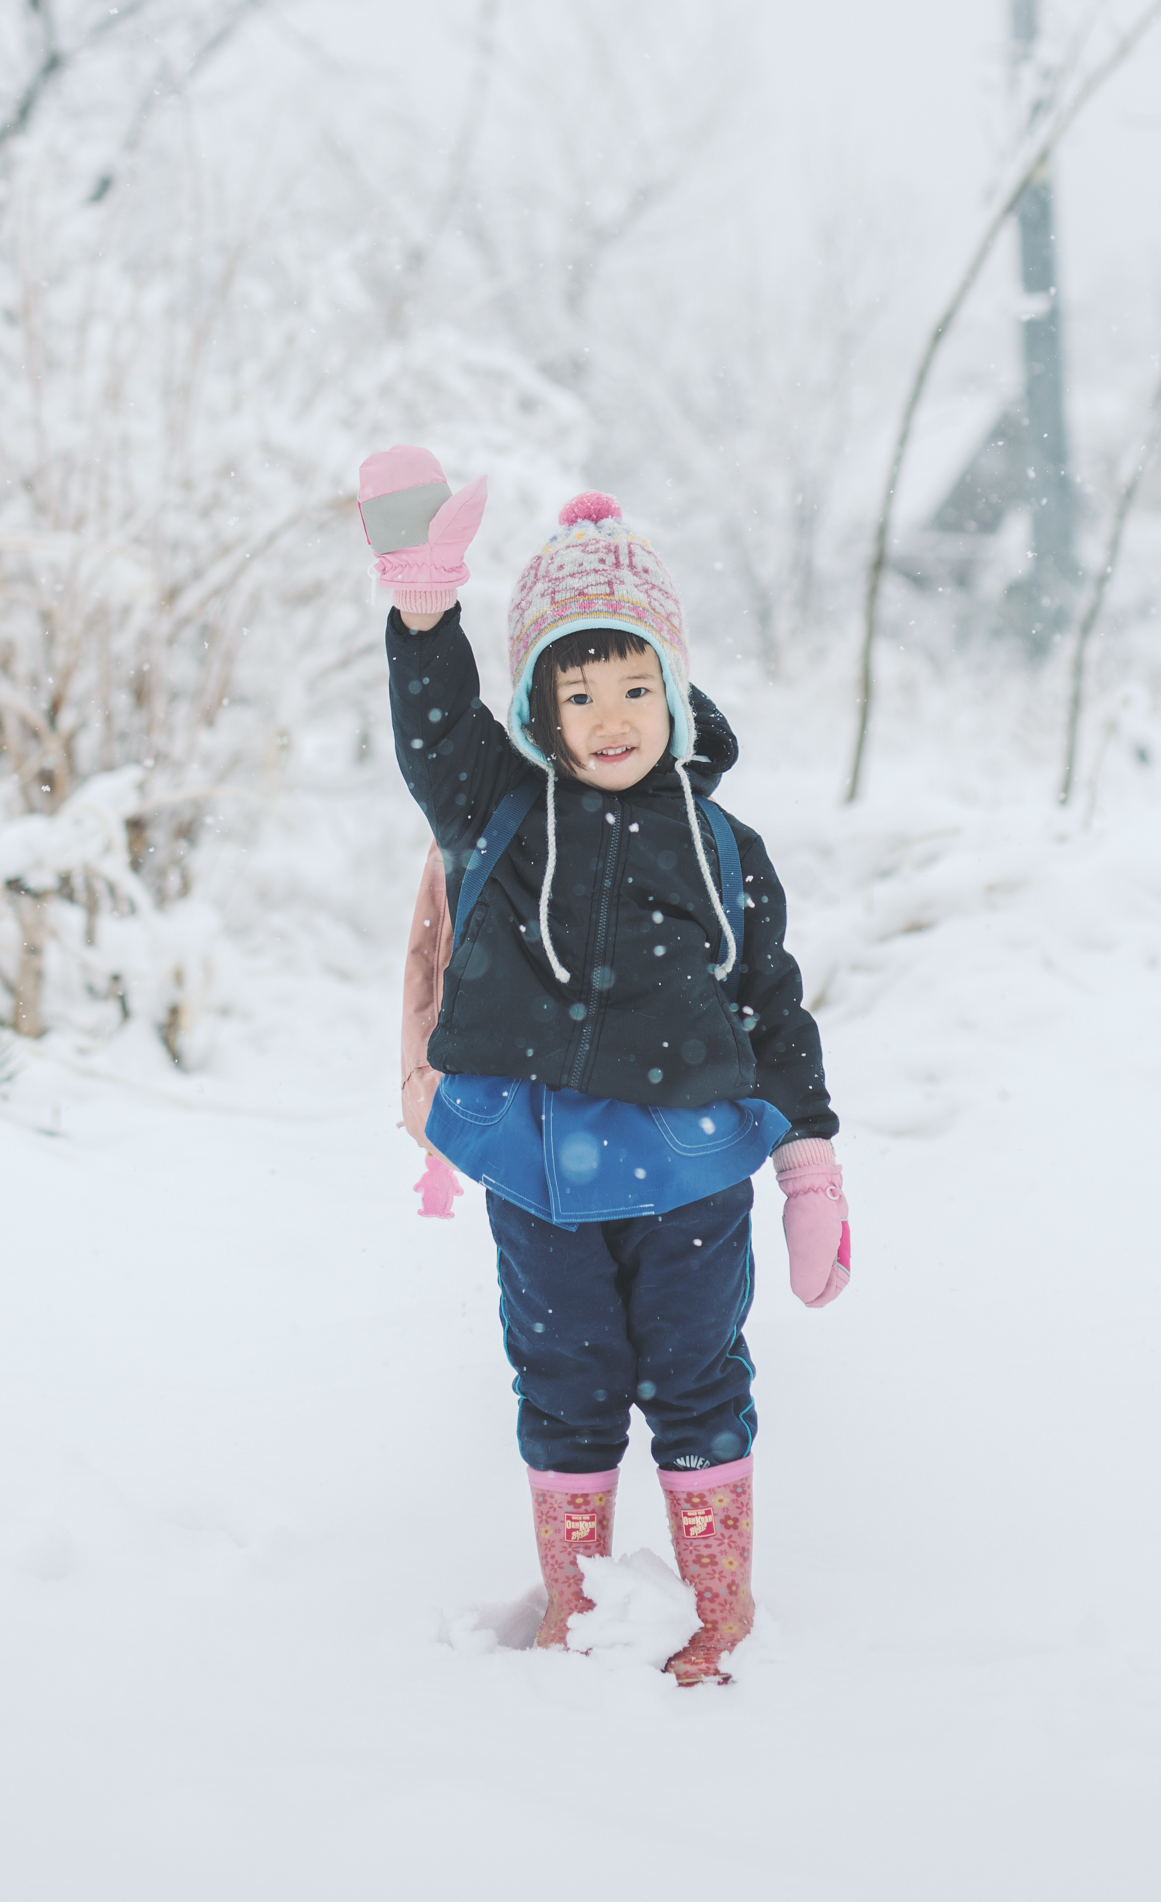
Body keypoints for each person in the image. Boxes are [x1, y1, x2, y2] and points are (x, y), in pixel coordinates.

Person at [359, 448, 850, 1687]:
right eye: (578, 695)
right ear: (540, 711)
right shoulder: (502, 811)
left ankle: (713, 1616)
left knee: (696, 1382)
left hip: (690, 1176)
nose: (612, 717)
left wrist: (808, 1173)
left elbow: (771, 1008)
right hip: (541, 1175)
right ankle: (579, 1613)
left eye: (636, 684)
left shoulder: (722, 845)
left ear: (674, 692)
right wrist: (424, 607)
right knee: (564, 1383)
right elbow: (432, 740)